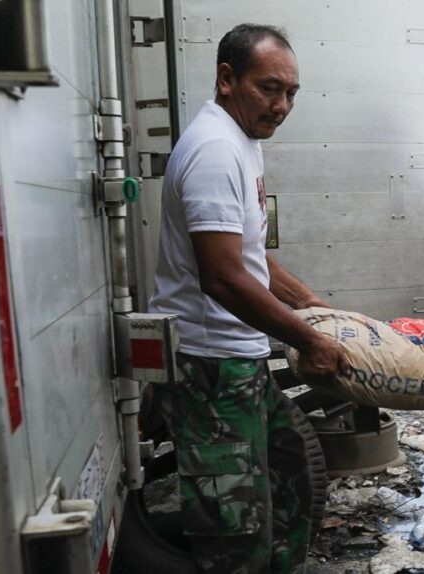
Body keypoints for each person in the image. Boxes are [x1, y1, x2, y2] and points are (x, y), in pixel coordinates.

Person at [148, 24, 348, 573]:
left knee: (292, 481)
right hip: (210, 369)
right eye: (269, 88)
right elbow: (222, 277)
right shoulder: (215, 150)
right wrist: (308, 340)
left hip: (242, 361)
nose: (282, 105)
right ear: (227, 78)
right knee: (234, 531)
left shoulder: (242, 143)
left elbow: (252, 258)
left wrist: (313, 304)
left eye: (291, 93)